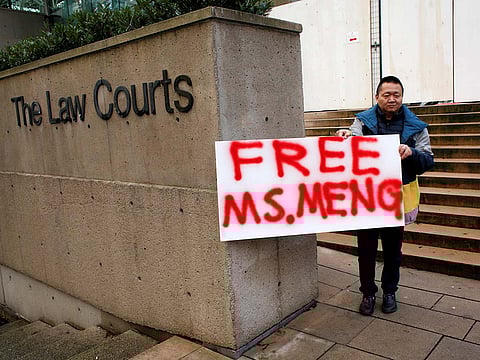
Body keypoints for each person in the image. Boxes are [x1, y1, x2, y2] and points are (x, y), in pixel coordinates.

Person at [336, 76, 434, 315]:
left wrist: (411, 153)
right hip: (367, 196)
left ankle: (390, 291)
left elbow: (428, 160)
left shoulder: (417, 127)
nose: (392, 99)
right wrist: (344, 137)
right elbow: (350, 140)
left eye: (396, 95)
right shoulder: (362, 121)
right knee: (366, 249)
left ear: (402, 97)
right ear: (377, 97)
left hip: (396, 198)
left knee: (393, 250)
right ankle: (368, 293)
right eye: (387, 95)